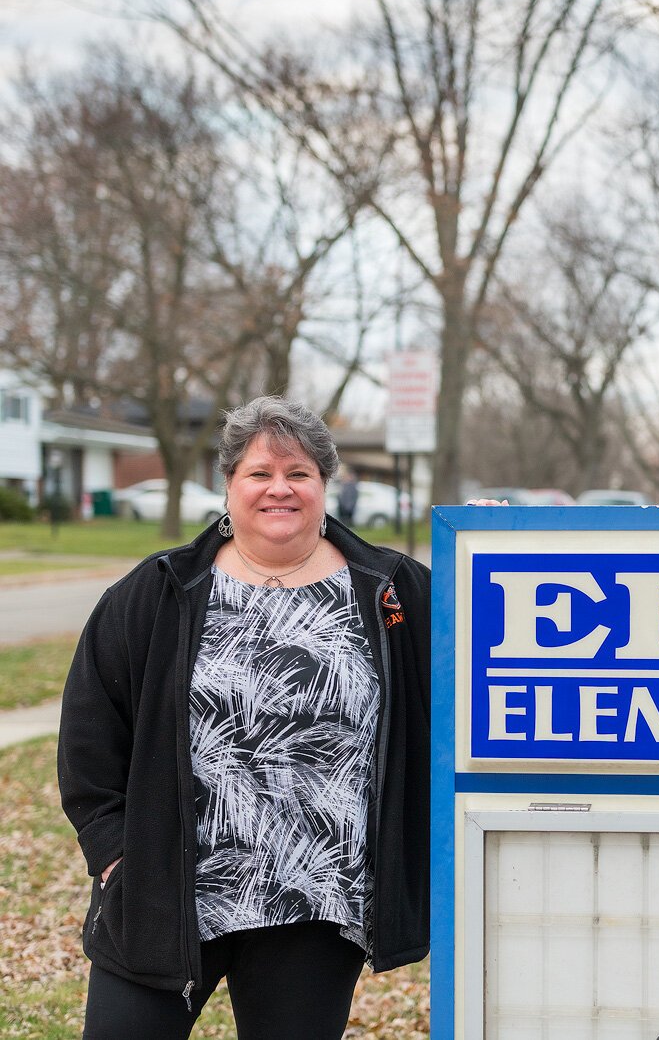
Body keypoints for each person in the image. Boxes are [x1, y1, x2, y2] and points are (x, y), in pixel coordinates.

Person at [57, 396, 431, 1039]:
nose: (278, 489)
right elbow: (90, 728)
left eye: (299, 473)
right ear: (228, 483)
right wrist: (114, 852)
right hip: (166, 891)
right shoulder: (161, 589)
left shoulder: (393, 590)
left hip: (315, 902)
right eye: (259, 473)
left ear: (324, 484)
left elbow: (470, 682)